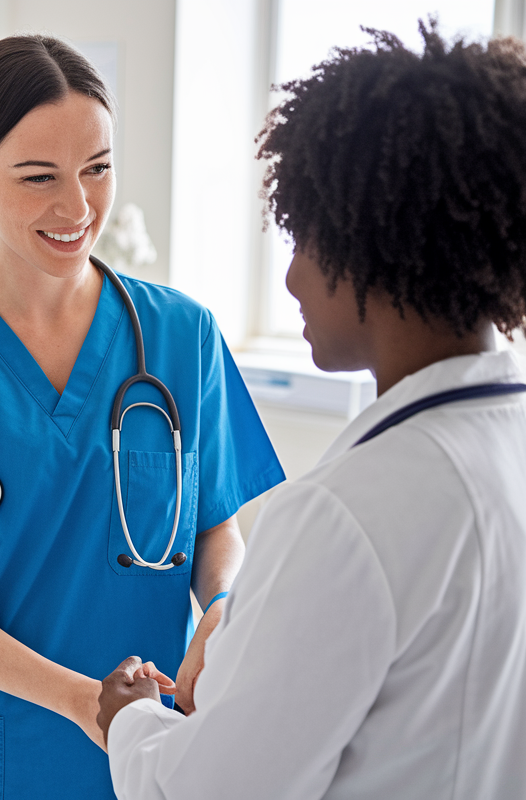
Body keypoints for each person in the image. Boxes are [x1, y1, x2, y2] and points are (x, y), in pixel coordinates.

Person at [0, 35, 285, 799]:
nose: (77, 208)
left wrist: (225, 611)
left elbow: (214, 530)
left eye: (98, 169)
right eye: (39, 177)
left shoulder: (184, 336)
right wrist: (84, 701)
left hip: (140, 743)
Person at [98, 22, 526, 799]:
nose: (291, 279)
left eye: (305, 239)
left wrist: (129, 719)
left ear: (376, 244)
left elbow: (206, 790)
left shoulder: (343, 516)